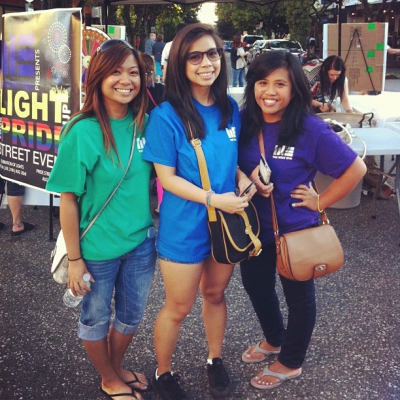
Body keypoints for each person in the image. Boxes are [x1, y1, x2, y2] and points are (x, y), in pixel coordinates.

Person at [237, 51, 366, 391]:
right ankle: (276, 338)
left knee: (299, 296)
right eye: (263, 82)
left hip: (296, 231)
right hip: (254, 230)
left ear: (295, 88)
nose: (270, 91)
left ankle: (291, 361)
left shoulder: (310, 128)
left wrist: (321, 199)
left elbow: (356, 169)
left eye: (280, 83)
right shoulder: (245, 121)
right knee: (257, 287)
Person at [143, 23, 253, 400]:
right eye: (195, 56)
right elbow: (166, 179)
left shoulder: (230, 108)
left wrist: (243, 176)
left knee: (215, 294)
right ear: (180, 63)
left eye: (212, 54)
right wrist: (213, 199)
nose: (207, 62)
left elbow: (228, 160)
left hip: (225, 224)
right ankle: (164, 372)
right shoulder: (166, 116)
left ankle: (214, 359)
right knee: (178, 306)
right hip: (184, 227)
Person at [46, 40, 157, 400]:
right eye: (115, 71)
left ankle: (116, 366)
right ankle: (108, 377)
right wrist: (76, 261)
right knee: (95, 318)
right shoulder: (83, 130)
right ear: (98, 76)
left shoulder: (145, 122)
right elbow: (67, 199)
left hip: (141, 242)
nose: (126, 80)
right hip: (95, 250)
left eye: (133, 72)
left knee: (131, 316)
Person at [141, 53, 165, 214]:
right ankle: (161, 205)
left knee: (142, 170)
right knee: (162, 171)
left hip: (142, 133)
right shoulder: (162, 89)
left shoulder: (136, 91)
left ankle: (142, 202)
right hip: (161, 134)